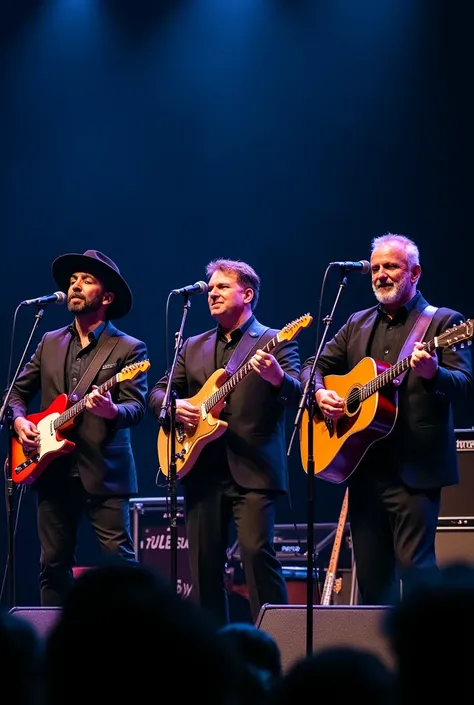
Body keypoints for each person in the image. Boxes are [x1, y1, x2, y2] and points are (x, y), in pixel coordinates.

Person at [300, 233, 473, 604]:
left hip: (415, 469)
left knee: (417, 571)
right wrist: (319, 392)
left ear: (415, 272)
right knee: (372, 577)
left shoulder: (443, 323)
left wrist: (433, 374)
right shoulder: (356, 323)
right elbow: (313, 365)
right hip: (363, 469)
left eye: (391, 266)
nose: (381, 274)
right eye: (376, 268)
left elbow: (463, 385)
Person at [148, 258, 302, 625]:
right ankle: (213, 655)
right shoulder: (192, 345)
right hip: (200, 470)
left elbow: (299, 394)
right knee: (203, 569)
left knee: (256, 556)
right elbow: (157, 393)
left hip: (253, 469)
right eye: (210, 288)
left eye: (221, 287)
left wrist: (277, 377)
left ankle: (277, 644)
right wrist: (175, 406)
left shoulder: (272, 340)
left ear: (247, 294)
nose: (212, 294)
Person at [8, 249, 149, 606]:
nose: (75, 286)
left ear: (106, 296)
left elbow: (137, 409)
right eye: (72, 281)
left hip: (105, 470)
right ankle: (55, 650)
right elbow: (15, 395)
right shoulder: (49, 341)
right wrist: (21, 420)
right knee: (52, 564)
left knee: (119, 561)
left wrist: (111, 409)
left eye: (86, 280)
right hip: (50, 466)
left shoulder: (129, 349)